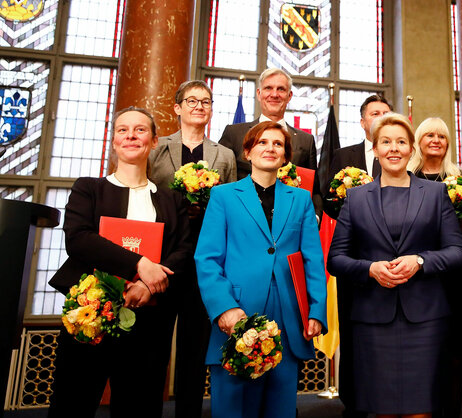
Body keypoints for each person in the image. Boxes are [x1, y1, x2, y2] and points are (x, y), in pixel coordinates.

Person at [47, 107, 191, 417]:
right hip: (91, 313)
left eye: (140, 130)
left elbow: (182, 251)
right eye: (122, 130)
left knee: (138, 407)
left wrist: (148, 287)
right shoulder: (89, 189)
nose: (130, 136)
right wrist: (140, 265)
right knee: (73, 403)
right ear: (114, 141)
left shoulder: (171, 200)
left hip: (149, 320)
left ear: (153, 141)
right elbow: (79, 240)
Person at [328, 113, 462, 418]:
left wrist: (420, 261)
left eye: (401, 142)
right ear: (375, 149)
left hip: (426, 319)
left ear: (411, 148)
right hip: (373, 321)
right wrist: (369, 269)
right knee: (383, 410)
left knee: (422, 410)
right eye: (386, 142)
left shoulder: (435, 194)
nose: (394, 148)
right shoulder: (355, 198)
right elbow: (336, 259)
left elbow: (457, 252)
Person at [195, 121, 327, 418]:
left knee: (280, 407)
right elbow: (207, 258)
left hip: (288, 314)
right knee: (233, 406)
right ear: (247, 152)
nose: (270, 148)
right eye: (263, 142)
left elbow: (312, 259)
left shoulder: (301, 199)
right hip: (237, 312)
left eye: (278, 144)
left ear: (285, 157)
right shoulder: (223, 196)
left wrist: (317, 310)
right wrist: (224, 307)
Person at [148, 79, 236, 418]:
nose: (199, 106)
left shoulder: (224, 155)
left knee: (195, 345)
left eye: (206, 101)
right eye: (192, 100)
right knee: (154, 344)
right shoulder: (157, 149)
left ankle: (188, 413)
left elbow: (229, 207)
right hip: (163, 256)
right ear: (177, 108)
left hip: (205, 259)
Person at [324, 93, 391, 418]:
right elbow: (327, 201)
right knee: (353, 331)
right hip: (355, 259)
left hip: (394, 260)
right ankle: (353, 402)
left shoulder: (403, 156)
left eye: (385, 112)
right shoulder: (343, 155)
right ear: (363, 121)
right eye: (373, 113)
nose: (379, 117)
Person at [406, 116, 462, 418]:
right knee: (416, 356)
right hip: (413, 281)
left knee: (453, 356)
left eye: (442, 136)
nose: (435, 140)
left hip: (453, 281)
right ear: (418, 142)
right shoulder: (404, 179)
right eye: (429, 135)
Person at [219, 68, 322, 217]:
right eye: (268, 88)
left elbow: (315, 190)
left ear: (289, 96)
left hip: (289, 222)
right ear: (259, 94)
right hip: (241, 219)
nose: (274, 94)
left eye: (281, 89)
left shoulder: (306, 140)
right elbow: (221, 179)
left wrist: (315, 218)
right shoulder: (234, 133)